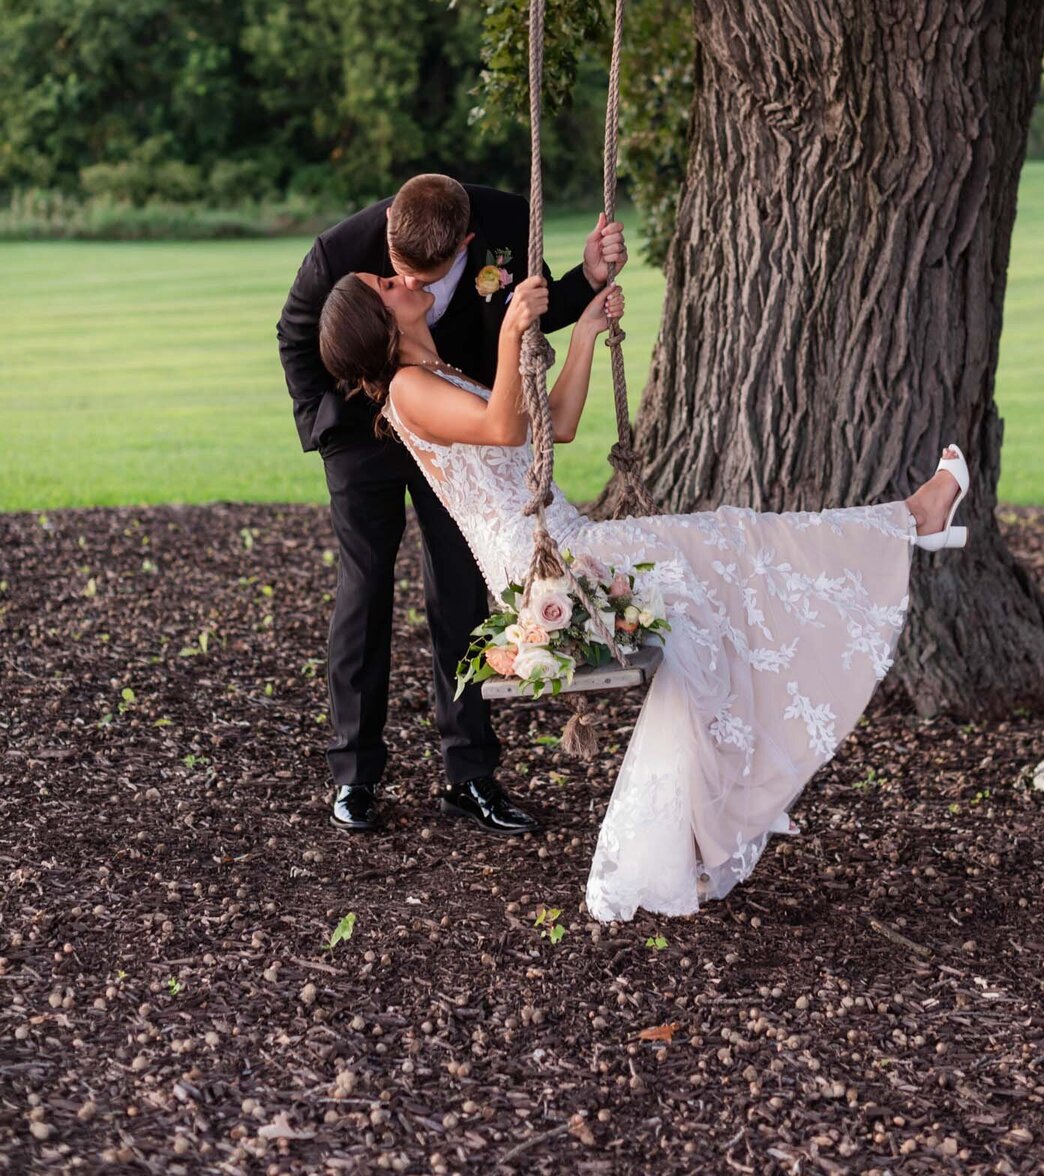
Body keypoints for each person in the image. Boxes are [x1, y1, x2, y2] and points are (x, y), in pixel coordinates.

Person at [317, 266, 970, 921]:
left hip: (571, 546)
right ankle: (912, 519)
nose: (401, 276)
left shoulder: (438, 374)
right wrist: (515, 327)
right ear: (378, 319)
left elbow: (555, 426)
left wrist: (582, 338)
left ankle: (691, 840)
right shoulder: (407, 388)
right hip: (551, 566)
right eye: (384, 283)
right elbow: (503, 428)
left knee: (722, 582)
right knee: (730, 541)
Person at [277, 173, 626, 836]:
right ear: (386, 237)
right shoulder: (339, 251)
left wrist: (588, 276)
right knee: (365, 586)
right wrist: (330, 429)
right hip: (363, 432)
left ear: (467, 243)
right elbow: (297, 337)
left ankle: (468, 773)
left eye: (430, 276)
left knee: (461, 589)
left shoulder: (504, 223)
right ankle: (355, 773)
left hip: (466, 419)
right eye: (398, 274)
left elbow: (536, 310)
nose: (414, 285)